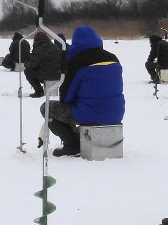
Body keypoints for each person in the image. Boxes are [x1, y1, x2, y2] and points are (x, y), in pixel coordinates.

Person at [41, 25, 124, 156]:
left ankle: (71, 144)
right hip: (116, 113)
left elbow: (65, 97)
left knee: (47, 108)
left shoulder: (77, 63)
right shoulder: (113, 59)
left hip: (89, 114)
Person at [24, 31, 64, 97]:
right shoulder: (55, 47)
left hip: (47, 75)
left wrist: (26, 64)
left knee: (28, 71)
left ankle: (39, 91)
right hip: (59, 74)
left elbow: (32, 65)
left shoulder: (39, 49)